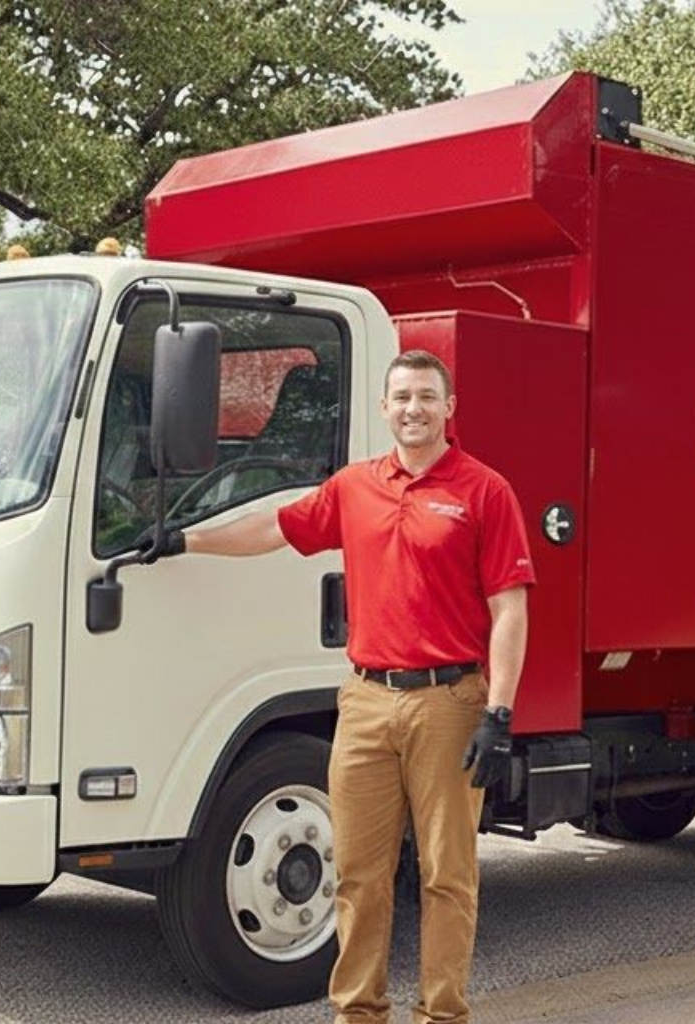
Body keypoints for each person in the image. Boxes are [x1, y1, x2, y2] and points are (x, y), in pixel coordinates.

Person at [140, 349, 533, 1024]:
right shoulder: (355, 487)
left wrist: (498, 712)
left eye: (426, 397)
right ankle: (359, 1013)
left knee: (446, 875)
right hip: (365, 701)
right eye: (402, 396)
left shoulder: (483, 490)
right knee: (358, 872)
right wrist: (185, 542)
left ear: (449, 409)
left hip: (448, 702)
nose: (413, 408)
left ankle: (442, 1013)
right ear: (384, 408)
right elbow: (272, 527)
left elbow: (510, 609)